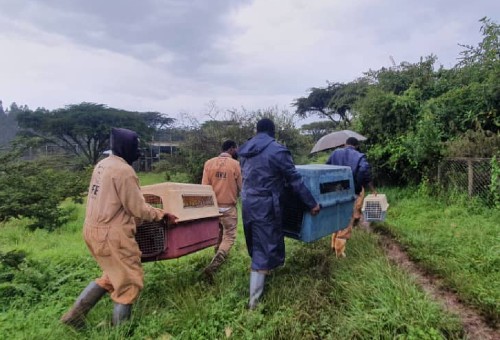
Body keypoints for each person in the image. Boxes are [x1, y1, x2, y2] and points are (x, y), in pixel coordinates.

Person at [60, 127, 177, 328]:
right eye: (135, 146)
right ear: (126, 147)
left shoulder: (102, 164)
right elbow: (137, 208)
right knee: (130, 281)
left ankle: (74, 317)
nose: (137, 151)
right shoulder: (124, 171)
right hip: (113, 235)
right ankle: (120, 332)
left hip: (92, 230)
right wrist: (161, 215)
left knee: (112, 275)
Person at [238, 118, 321, 309]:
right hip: (266, 204)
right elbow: (295, 180)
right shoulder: (277, 150)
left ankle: (264, 275)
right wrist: (311, 204)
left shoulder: (245, 150)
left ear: (257, 130)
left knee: (257, 242)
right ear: (272, 132)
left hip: (248, 202)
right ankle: (254, 303)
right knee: (263, 247)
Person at [326, 136, 377, 258]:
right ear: (356, 146)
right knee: (347, 220)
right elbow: (364, 171)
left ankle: (333, 244)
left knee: (337, 216)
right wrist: (359, 186)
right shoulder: (359, 156)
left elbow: (326, 167)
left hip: (335, 190)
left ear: (345, 144)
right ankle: (339, 252)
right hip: (350, 192)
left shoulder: (335, 153)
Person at [201, 140, 242, 280]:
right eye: (236, 149)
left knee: (218, 233)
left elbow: (204, 187)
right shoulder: (235, 165)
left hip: (212, 208)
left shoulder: (209, 163)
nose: (237, 151)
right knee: (229, 236)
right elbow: (242, 187)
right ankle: (216, 262)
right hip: (228, 207)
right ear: (231, 149)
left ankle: (215, 256)